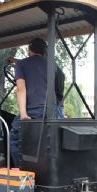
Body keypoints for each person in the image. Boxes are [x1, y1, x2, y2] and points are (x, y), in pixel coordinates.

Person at [9, 38, 65, 166]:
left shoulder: (21, 65)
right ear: (44, 51)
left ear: (30, 50)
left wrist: (23, 114)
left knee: (15, 137)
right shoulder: (53, 66)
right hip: (52, 111)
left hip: (33, 110)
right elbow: (59, 93)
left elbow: (21, 89)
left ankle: (22, 173)